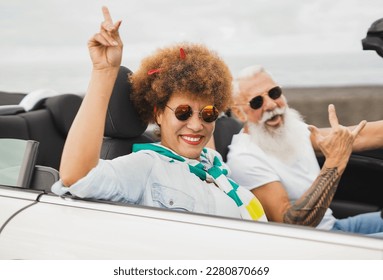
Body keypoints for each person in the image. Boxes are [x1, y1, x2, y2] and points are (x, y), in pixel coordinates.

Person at [51, 7, 268, 221]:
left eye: (208, 114)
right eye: (183, 113)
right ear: (158, 114)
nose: (196, 124)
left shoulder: (211, 161)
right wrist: (104, 72)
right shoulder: (145, 166)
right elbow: (77, 177)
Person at [226, 65, 383, 236]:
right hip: (315, 242)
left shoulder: (289, 130)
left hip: (333, 227)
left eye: (274, 93)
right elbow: (292, 224)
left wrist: (339, 148)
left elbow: (357, 137)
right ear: (239, 113)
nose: (271, 104)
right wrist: (334, 164)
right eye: (257, 102)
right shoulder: (244, 158)